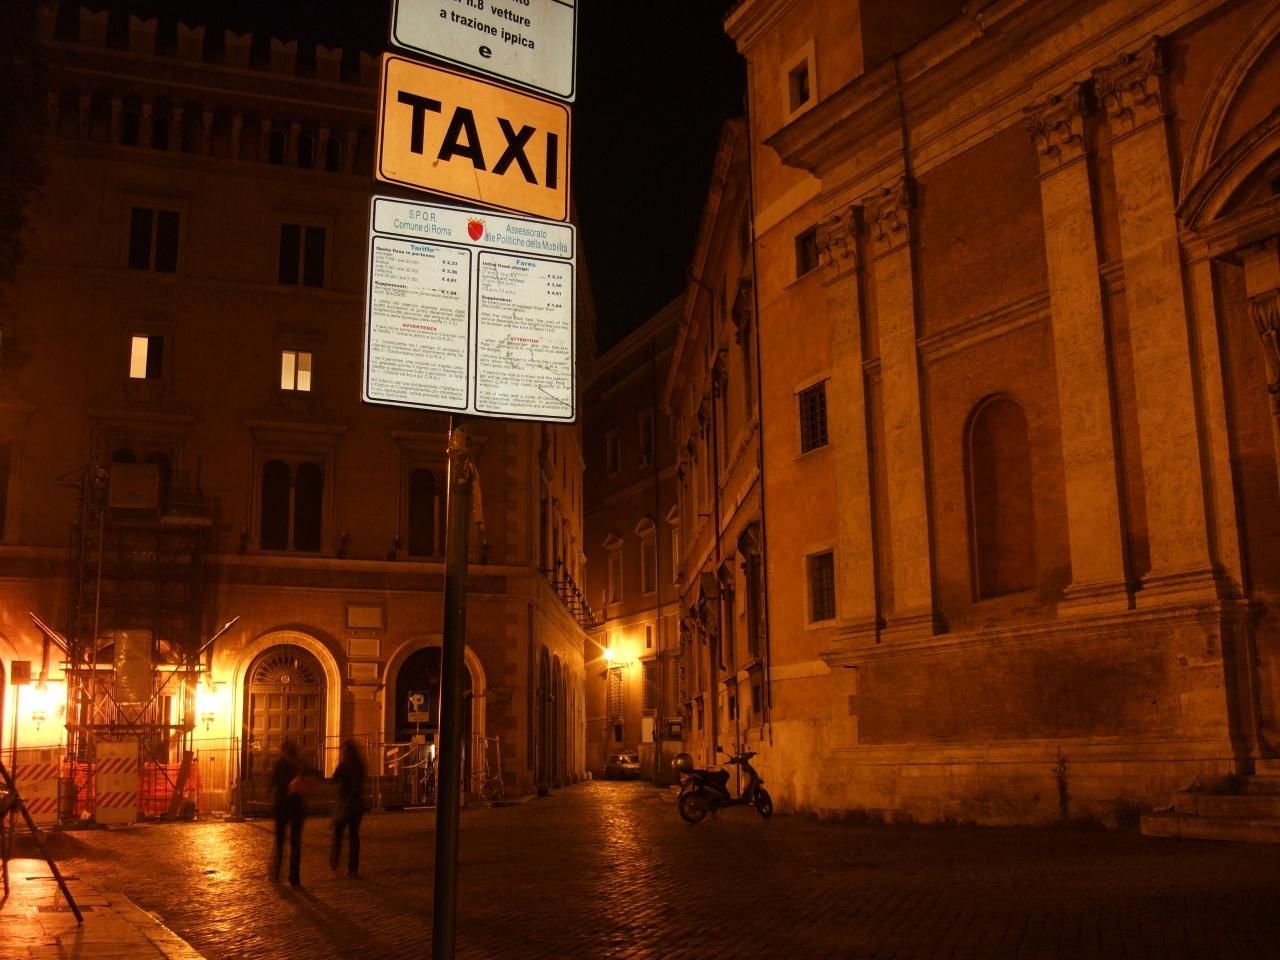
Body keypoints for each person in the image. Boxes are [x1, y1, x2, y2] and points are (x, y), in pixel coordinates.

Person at [269, 739, 315, 887]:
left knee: (280, 842)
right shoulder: (301, 764)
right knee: (296, 843)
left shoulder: (279, 764)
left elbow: (272, 784)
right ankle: (294, 877)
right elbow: (313, 776)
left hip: (282, 807)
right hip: (297, 808)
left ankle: (277, 873)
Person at [330, 739, 367, 877]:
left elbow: (334, 779)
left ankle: (335, 859)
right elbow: (362, 782)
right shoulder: (360, 766)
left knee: (338, 833)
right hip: (356, 805)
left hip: (345, 804)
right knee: (354, 837)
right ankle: (353, 868)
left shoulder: (343, 765)